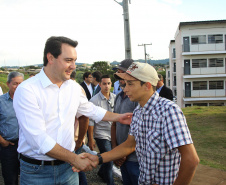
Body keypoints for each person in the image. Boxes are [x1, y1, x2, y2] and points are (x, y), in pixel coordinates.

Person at [13, 36, 132, 185]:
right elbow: (38, 139)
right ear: (50, 58)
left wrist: (119, 117)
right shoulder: (27, 90)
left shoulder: (73, 88)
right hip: (37, 172)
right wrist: (75, 158)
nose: (74, 66)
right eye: (68, 60)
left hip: (68, 170)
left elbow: (91, 110)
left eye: (75, 60)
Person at [81, 62, 200, 185]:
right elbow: (129, 145)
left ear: (147, 85)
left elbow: (191, 160)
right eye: (125, 83)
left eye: (130, 84)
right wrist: (98, 158)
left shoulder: (168, 111)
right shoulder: (138, 111)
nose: (125, 89)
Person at [111, 59, 140, 185]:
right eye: (117, 73)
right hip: (121, 157)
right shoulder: (118, 97)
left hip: (135, 158)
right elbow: (114, 123)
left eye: (121, 73)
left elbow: (140, 129)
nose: (119, 77)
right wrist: (115, 149)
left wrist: (124, 153)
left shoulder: (136, 98)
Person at [89, 74, 116, 185]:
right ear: (100, 85)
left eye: (108, 83)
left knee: (108, 159)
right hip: (101, 134)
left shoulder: (116, 98)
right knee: (109, 160)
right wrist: (91, 139)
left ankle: (101, 172)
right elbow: (90, 121)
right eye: (104, 84)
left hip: (113, 133)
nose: (106, 86)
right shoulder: (94, 101)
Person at [0, 71, 24, 185]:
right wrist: (2, 141)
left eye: (21, 83)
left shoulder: (28, 100)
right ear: (8, 84)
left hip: (26, 146)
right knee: (10, 179)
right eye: (15, 83)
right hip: (9, 147)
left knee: (28, 177)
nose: (18, 86)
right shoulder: (1, 101)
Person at [71, 70, 88, 185]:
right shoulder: (76, 88)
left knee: (75, 167)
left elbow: (84, 117)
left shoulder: (75, 90)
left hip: (74, 138)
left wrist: (79, 139)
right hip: (75, 137)